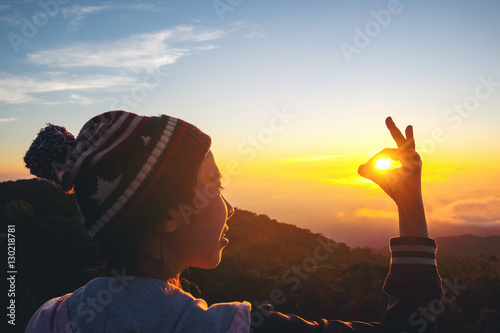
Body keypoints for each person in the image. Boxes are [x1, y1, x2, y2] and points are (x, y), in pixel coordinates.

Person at [24, 111, 443, 333]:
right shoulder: (224, 328)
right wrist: (409, 201)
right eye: (215, 185)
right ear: (170, 215)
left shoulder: (48, 318)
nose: (229, 206)